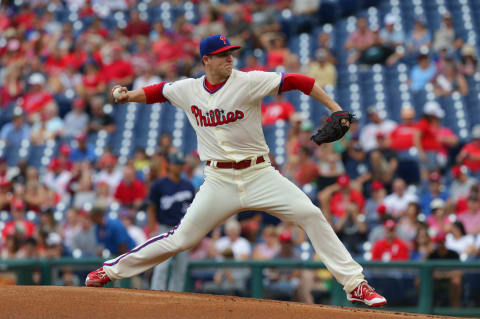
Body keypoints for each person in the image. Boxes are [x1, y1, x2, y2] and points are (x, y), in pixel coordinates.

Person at [85, 34, 387, 307]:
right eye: (222, 54)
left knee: (310, 215)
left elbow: (299, 81)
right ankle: (109, 270)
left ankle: (355, 285)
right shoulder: (188, 89)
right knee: (182, 240)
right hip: (219, 180)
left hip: (260, 174)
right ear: (206, 60)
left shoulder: (248, 81)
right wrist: (127, 96)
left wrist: (335, 109)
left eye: (231, 52)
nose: (230, 57)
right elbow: (157, 92)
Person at [148, 152, 195, 292]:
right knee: (161, 266)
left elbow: (193, 210)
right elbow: (151, 208)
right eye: (177, 164)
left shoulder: (188, 185)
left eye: (181, 164)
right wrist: (152, 230)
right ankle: (157, 294)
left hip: (183, 230)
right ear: (169, 165)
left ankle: (176, 298)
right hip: (165, 229)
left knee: (181, 268)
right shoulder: (159, 185)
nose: (179, 167)